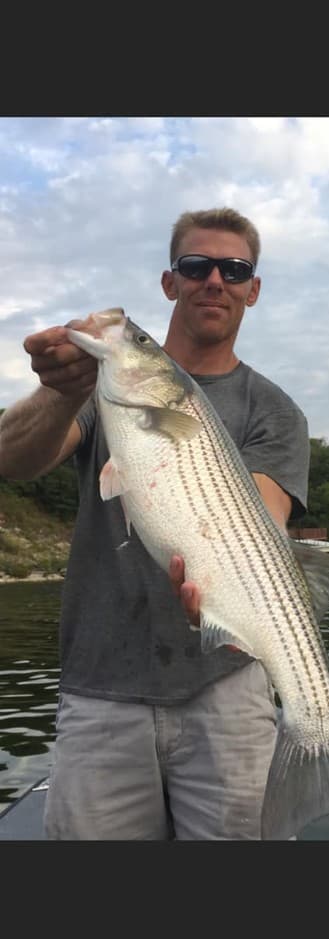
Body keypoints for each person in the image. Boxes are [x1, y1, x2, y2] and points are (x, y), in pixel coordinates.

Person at [0, 207, 310, 840]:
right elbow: (12, 460)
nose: (215, 280)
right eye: (196, 266)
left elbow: (261, 520)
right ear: (171, 282)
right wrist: (61, 393)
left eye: (234, 270)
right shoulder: (103, 386)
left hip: (228, 688)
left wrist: (224, 587)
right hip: (99, 687)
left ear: (253, 289)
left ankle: (323, 734)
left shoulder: (275, 411)